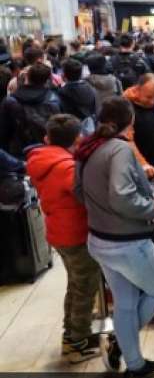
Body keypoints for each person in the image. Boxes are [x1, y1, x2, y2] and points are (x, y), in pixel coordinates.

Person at [74, 97, 154, 376]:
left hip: (99, 239)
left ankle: (135, 363)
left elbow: (79, 191)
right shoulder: (119, 149)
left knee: (125, 303)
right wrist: (150, 208)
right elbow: (122, 195)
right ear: (129, 121)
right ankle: (120, 341)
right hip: (128, 242)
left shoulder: (87, 146)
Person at [27, 114, 102, 363]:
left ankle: (72, 335)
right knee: (85, 287)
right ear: (78, 138)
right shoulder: (66, 167)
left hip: (58, 230)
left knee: (76, 284)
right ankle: (78, 341)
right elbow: (86, 197)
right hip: (75, 233)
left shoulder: (42, 159)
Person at [0, 63, 62, 158]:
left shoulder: (10, 101)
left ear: (27, 77)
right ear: (47, 80)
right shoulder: (54, 100)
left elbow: (3, 131)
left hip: (18, 152)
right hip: (45, 150)